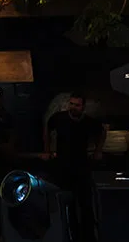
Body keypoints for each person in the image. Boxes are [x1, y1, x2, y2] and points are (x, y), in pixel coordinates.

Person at [43, 93, 103, 239]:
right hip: (63, 164)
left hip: (81, 165)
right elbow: (47, 128)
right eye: (71, 104)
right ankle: (69, 232)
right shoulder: (59, 118)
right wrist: (47, 150)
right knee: (65, 200)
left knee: (85, 203)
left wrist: (98, 151)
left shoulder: (88, 122)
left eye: (76, 105)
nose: (73, 107)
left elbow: (102, 132)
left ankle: (88, 236)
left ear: (82, 107)